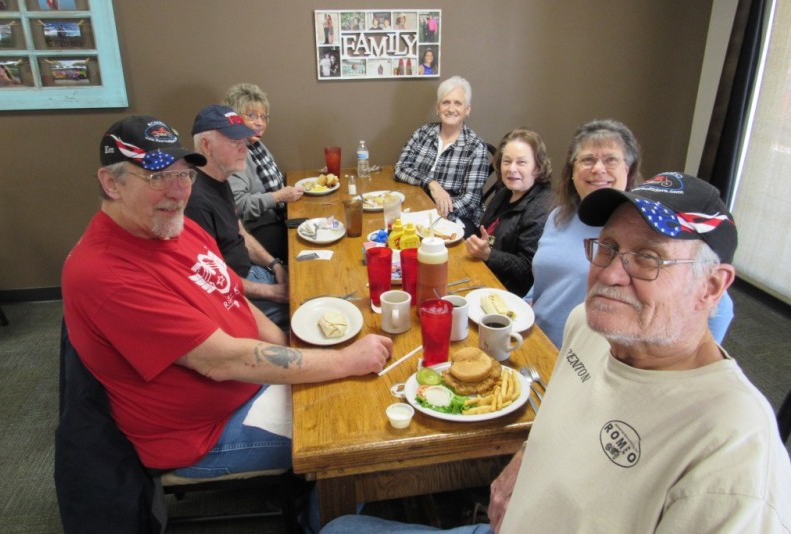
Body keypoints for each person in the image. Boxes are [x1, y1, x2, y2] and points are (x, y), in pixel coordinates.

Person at [322, 172, 791, 533]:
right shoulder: (588, 326)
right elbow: (563, 417)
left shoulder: (735, 448)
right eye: (607, 247)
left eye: (648, 258)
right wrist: (519, 466)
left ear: (711, 286)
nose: (609, 274)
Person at [62, 115, 392, 479]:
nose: (178, 192)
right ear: (111, 183)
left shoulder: (172, 225)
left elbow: (232, 295)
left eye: (184, 174)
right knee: (352, 431)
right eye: (158, 176)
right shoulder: (106, 275)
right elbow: (219, 361)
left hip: (249, 382)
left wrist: (291, 348)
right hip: (204, 434)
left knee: (350, 367)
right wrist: (343, 361)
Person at [527, 119, 734, 348]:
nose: (598, 169)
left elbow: (720, 306)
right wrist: (524, 305)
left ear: (628, 169)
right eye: (587, 159)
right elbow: (545, 279)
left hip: (585, 361)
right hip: (532, 339)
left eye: (610, 160)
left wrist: (688, 363)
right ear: (572, 172)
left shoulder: (650, 232)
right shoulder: (558, 216)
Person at [185, 104, 290, 331]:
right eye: (235, 142)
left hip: (254, 274)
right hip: (235, 296)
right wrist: (271, 291)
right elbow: (212, 281)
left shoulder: (221, 179)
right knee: (306, 313)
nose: (244, 148)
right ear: (206, 145)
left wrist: (275, 265)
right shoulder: (194, 202)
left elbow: (240, 232)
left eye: (244, 141)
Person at [394, 75, 489, 236]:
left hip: (456, 217)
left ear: (467, 110)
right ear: (438, 108)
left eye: (458, 103)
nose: (451, 109)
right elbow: (400, 168)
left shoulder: (476, 147)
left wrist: (434, 212)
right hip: (417, 209)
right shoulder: (422, 133)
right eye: (446, 102)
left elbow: (471, 200)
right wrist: (432, 184)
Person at [465, 128, 552, 296]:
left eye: (521, 162)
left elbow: (527, 270)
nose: (511, 169)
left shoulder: (542, 207)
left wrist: (489, 254)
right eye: (507, 161)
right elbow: (486, 231)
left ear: (538, 167)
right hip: (483, 273)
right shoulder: (506, 192)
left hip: (507, 294)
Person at [224, 83, 302, 263]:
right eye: (251, 116)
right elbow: (239, 205)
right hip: (257, 234)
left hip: (278, 220)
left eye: (263, 117)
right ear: (234, 118)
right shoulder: (236, 152)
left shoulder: (256, 145)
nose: (259, 123)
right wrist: (278, 196)